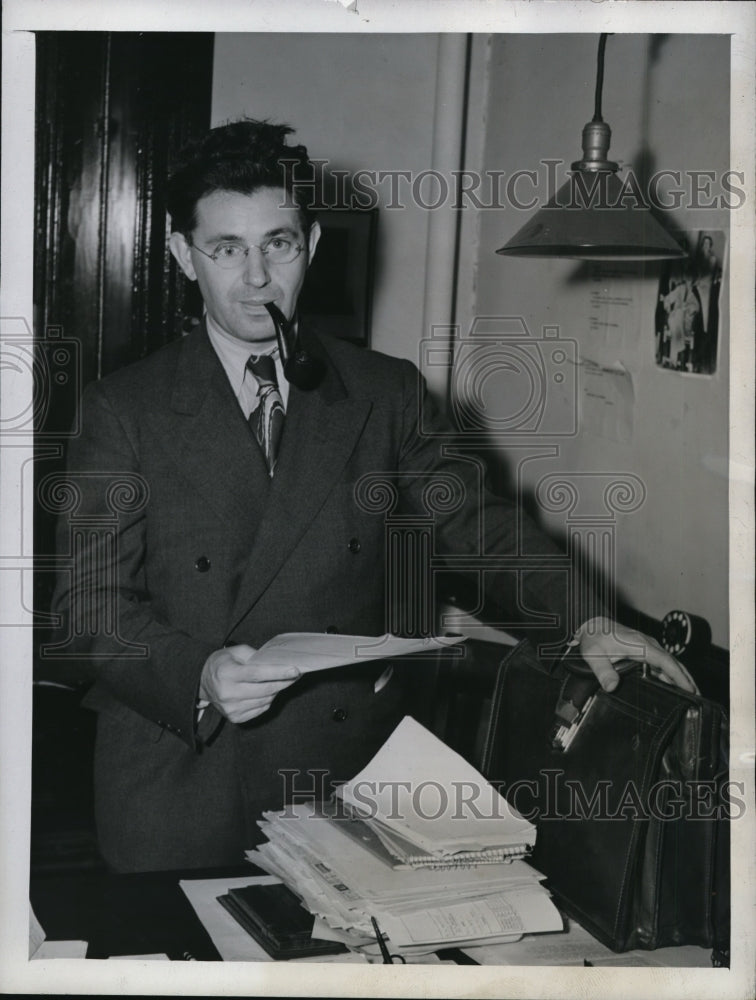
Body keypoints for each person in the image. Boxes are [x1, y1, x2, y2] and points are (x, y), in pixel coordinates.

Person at [52, 120, 696, 873]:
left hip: (343, 775)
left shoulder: (383, 393)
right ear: (182, 256)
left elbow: (477, 528)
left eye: (279, 245)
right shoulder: (124, 409)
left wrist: (584, 619)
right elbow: (91, 610)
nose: (256, 277)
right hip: (182, 779)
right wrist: (198, 672)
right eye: (227, 249)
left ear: (313, 246)